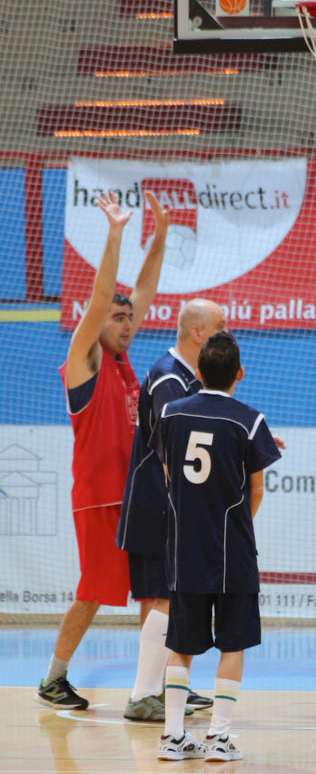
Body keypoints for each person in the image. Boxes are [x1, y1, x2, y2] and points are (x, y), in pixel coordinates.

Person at [35, 189, 169, 711]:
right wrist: (116, 234)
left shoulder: (123, 361)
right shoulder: (85, 360)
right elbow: (98, 301)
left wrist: (161, 234)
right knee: (92, 591)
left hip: (136, 498)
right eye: (118, 318)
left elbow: (147, 288)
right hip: (99, 498)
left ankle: (152, 686)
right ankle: (53, 679)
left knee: (154, 590)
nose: (126, 323)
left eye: (129, 318)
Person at [150, 331, 281, 762]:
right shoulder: (250, 421)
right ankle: (219, 739)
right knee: (232, 644)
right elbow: (256, 489)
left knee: (180, 646)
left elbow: (168, 474)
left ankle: (172, 737)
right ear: (239, 373)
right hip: (231, 551)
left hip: (183, 550)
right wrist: (236, 527)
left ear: (198, 372)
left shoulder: (170, 413)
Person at [116, 298, 228, 722]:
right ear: (197, 332)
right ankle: (144, 694)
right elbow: (173, 446)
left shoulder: (187, 377)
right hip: (156, 504)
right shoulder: (168, 378)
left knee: (167, 596)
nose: (228, 332)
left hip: (169, 503)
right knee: (161, 596)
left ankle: (160, 685)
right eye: (221, 325)